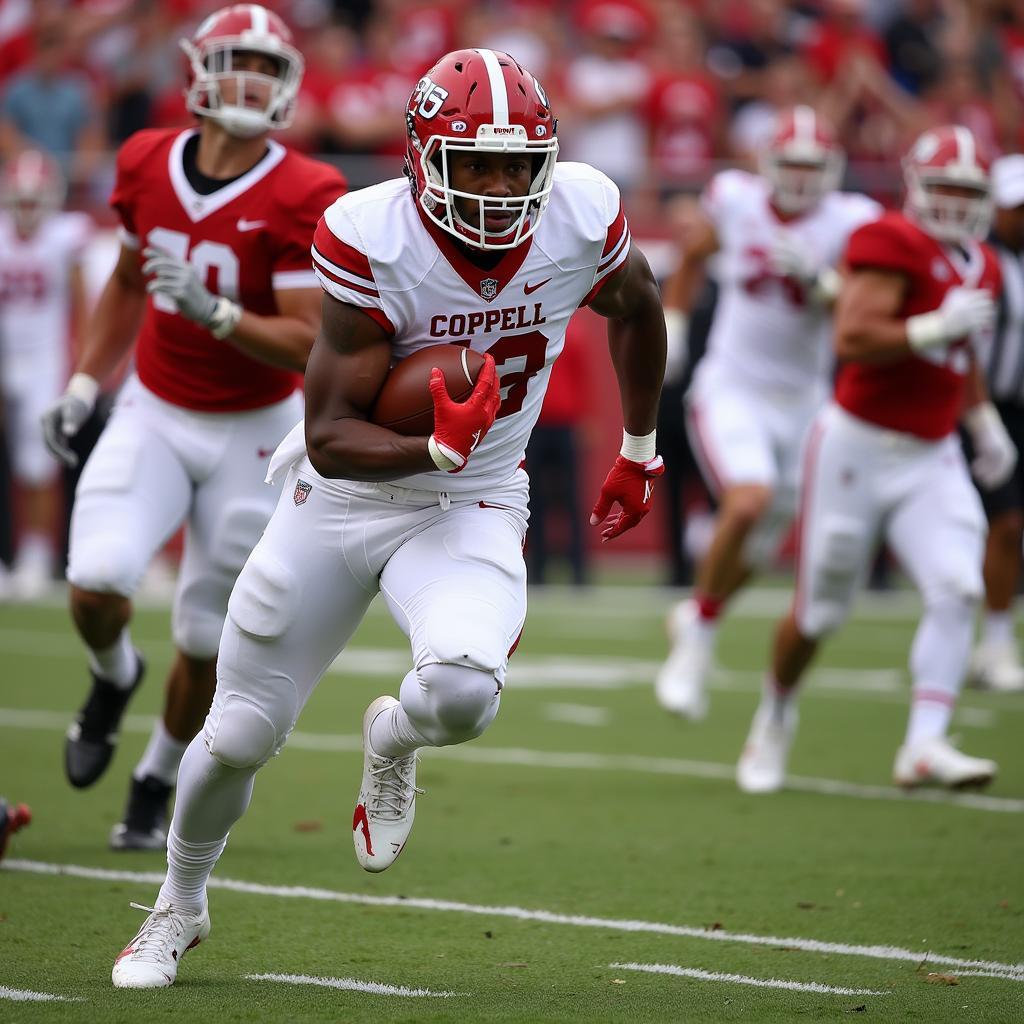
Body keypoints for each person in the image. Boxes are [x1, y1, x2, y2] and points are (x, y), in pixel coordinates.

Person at [108, 46, 666, 989]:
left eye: (518, 165)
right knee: (239, 729)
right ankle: (177, 903)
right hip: (343, 497)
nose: (498, 188)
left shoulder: (580, 213)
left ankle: (391, 740)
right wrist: (429, 449)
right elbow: (328, 433)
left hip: (473, 499)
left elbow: (639, 303)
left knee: (462, 694)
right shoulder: (373, 235)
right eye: (475, 164)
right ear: (421, 156)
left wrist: (640, 448)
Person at [41, 4, 346, 852]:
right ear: (199, 73)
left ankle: (155, 775)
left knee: (209, 637)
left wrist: (215, 311)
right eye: (235, 62)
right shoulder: (145, 159)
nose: (249, 81)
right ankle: (113, 676)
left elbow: (305, 338)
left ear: (286, 86)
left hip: (255, 428)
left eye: (267, 66)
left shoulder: (304, 189)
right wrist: (80, 381)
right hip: (156, 405)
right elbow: (127, 281)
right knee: (97, 577)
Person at [737, 125, 1014, 794]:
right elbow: (855, 335)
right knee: (821, 612)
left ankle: (924, 743)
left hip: (931, 450)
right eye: (943, 187)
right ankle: (774, 713)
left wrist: (982, 419)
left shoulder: (987, 261)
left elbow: (960, 351)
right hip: (857, 446)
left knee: (959, 587)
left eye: (966, 191)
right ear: (916, 187)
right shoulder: (889, 241)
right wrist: (930, 326)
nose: (953, 202)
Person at [654, 107, 881, 720]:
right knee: (747, 501)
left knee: (761, 546)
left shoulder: (851, 221)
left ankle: (702, 613)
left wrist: (826, 283)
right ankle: (698, 640)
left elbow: (869, 309)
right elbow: (694, 252)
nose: (802, 180)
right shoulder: (736, 199)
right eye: (792, 166)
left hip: (806, 403)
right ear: (767, 165)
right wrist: (673, 322)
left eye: (813, 168)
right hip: (732, 388)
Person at [0, 150, 91, 598]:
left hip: (45, 360)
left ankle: (36, 552)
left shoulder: (64, 236)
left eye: (36, 200)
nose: (29, 209)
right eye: (23, 199)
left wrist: (83, 360)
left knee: (40, 460)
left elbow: (81, 302)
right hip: (6, 354)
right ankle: (11, 552)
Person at [967, 154, 1024, 691]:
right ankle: (994, 643)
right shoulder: (979, 260)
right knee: (999, 526)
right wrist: (982, 420)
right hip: (978, 407)